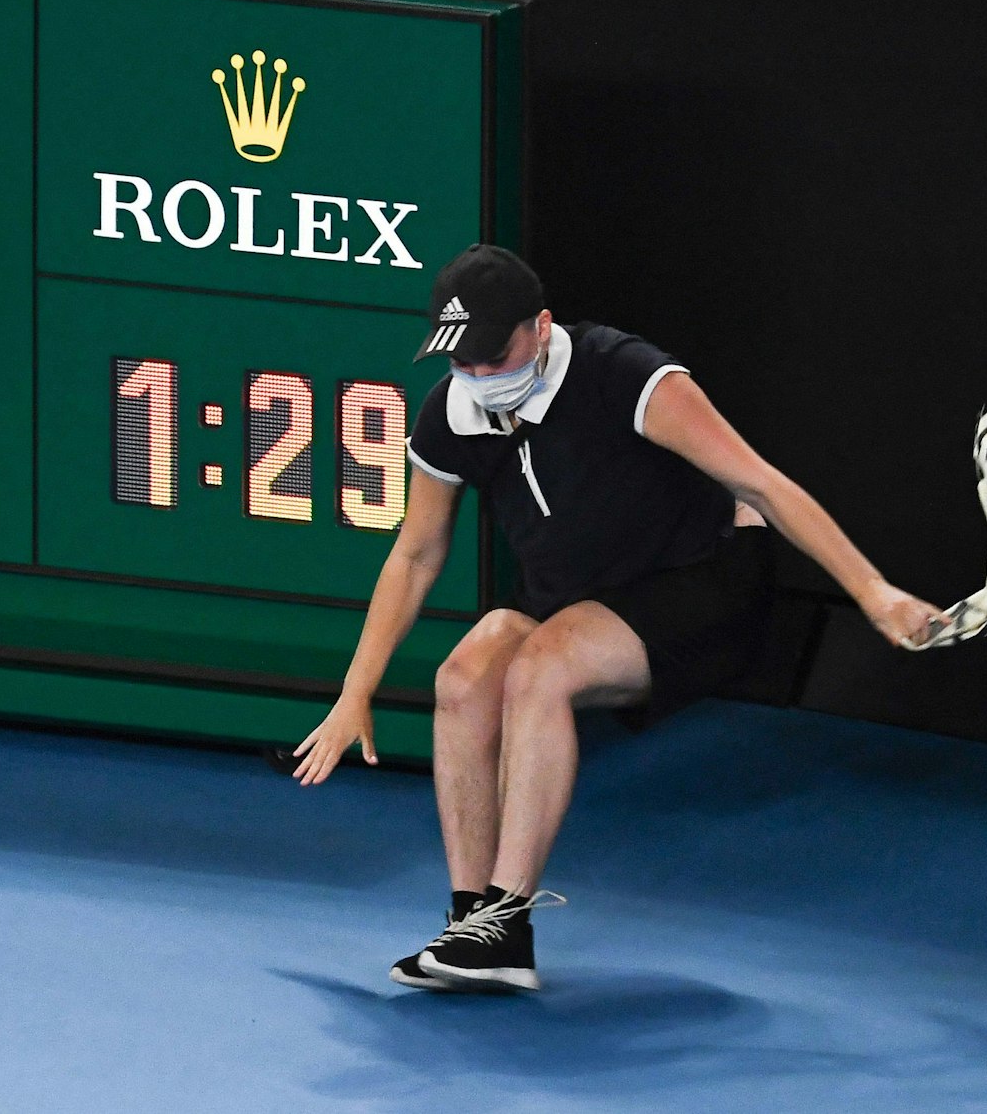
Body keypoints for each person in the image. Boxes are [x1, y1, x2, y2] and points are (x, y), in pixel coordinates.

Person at [291, 244, 946, 992]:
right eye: (460, 359)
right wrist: (355, 693)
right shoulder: (453, 411)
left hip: (700, 586)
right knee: (465, 675)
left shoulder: (625, 374)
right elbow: (415, 554)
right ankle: (474, 923)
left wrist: (873, 592)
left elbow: (761, 484)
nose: (477, 374)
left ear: (541, 327)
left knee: (542, 667)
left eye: (493, 355)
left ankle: (506, 918)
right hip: (577, 600)